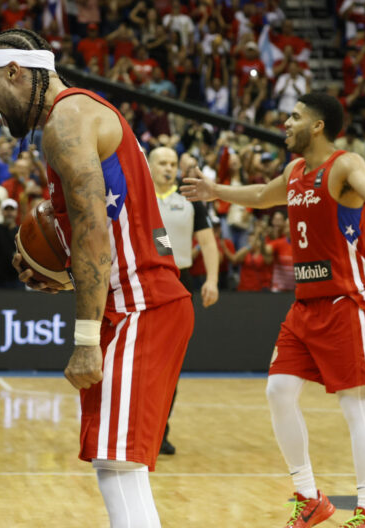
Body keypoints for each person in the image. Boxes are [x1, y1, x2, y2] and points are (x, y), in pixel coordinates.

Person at [0, 28, 193, 527]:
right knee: (118, 465)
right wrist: (63, 262)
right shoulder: (77, 115)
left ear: (15, 72)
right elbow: (100, 229)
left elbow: (95, 229)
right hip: (138, 301)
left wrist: (86, 338)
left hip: (139, 304)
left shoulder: (65, 120)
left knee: (117, 466)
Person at [181, 92, 365, 528]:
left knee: (355, 409)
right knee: (278, 392)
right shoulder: (295, 170)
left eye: (295, 117)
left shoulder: (344, 164)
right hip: (305, 304)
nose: (285, 122)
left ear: (317, 126)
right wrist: (215, 192)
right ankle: (310, 497)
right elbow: (265, 195)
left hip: (347, 301)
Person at [148, 146, 218, 456]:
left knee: (169, 364)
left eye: (173, 162)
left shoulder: (189, 199)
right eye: (162, 162)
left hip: (180, 281)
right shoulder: (137, 195)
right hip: (145, 280)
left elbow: (207, 242)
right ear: (148, 165)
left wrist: (213, 280)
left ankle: (159, 432)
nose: (168, 167)